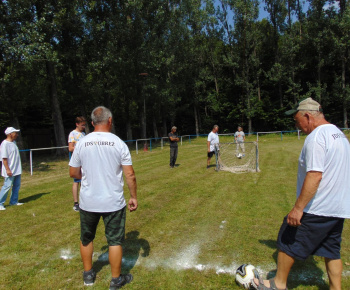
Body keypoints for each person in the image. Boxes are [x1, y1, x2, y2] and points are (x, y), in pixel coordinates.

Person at [252, 97, 350, 290]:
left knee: (288, 237)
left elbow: (314, 175)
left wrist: (298, 209)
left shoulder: (316, 137)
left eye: (297, 120)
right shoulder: (339, 135)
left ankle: (278, 284)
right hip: (338, 208)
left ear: (307, 116)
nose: (296, 124)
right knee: (331, 250)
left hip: (318, 207)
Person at [69, 106, 138, 289]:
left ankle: (88, 275)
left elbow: (73, 172)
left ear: (92, 123)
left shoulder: (82, 143)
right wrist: (133, 196)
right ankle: (116, 280)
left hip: (88, 201)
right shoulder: (118, 143)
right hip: (113, 202)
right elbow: (130, 174)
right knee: (114, 241)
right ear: (110, 120)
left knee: (87, 238)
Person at [0, 127, 23, 210]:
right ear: (10, 134)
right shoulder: (4, 144)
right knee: (7, 186)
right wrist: (7, 169)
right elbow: (4, 158)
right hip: (10, 170)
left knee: (16, 186)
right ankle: (0, 203)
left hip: (17, 169)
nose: (16, 134)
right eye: (15, 133)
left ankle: (14, 201)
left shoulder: (14, 142)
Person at [68, 116, 86, 212]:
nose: (83, 126)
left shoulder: (83, 134)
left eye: (84, 125)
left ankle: (84, 201)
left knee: (84, 180)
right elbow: (70, 148)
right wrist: (80, 148)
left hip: (84, 161)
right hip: (76, 161)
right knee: (76, 181)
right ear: (77, 124)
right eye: (82, 125)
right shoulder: (72, 134)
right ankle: (76, 203)